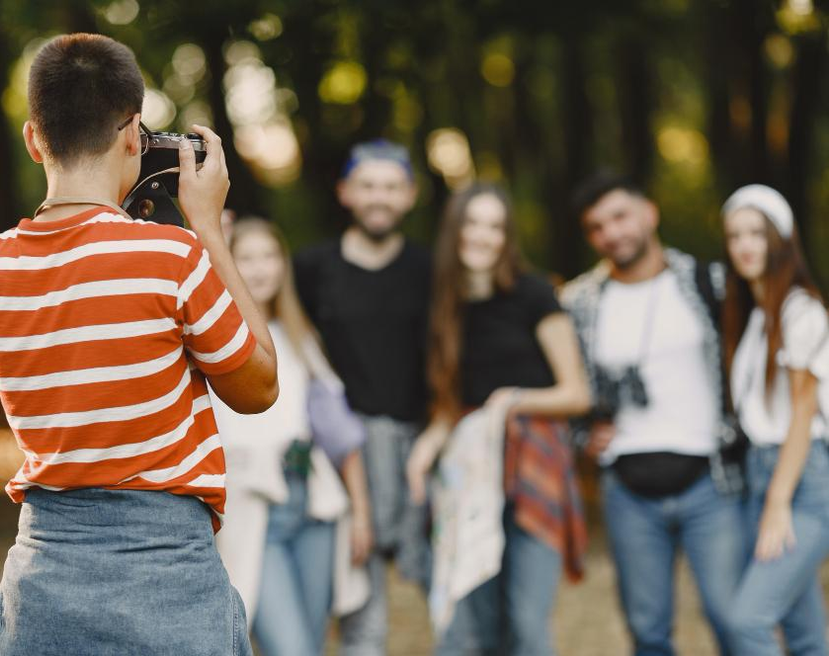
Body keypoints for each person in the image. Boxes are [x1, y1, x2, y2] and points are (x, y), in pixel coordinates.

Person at [0, 34, 278, 656]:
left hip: (45, 574)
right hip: (165, 574)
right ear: (134, 133)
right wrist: (208, 228)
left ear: (33, 138)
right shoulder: (171, 256)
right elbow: (259, 387)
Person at [560, 172, 746, 656]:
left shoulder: (711, 284)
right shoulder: (580, 302)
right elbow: (566, 383)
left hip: (711, 481)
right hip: (627, 489)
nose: (612, 233)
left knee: (735, 620)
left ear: (648, 213)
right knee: (648, 632)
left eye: (620, 216)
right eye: (596, 227)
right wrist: (582, 436)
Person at [405, 183, 590, 656]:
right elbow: (451, 405)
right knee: (479, 625)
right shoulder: (443, 307)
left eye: (494, 226)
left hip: (533, 468)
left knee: (527, 624)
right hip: (471, 475)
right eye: (472, 223)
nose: (482, 236)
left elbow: (576, 394)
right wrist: (423, 452)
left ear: (507, 237)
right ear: (454, 230)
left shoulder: (534, 294)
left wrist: (512, 401)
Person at [294, 139, 431, 655]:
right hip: (345, 455)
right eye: (369, 186)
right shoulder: (310, 269)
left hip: (420, 450)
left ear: (411, 195)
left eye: (392, 187)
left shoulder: (430, 270)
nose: (380, 198)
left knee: (450, 595)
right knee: (361, 611)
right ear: (345, 192)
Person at [212, 217, 373, 656]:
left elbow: (341, 436)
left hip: (313, 503)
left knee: (314, 643)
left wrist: (360, 513)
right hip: (253, 509)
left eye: (270, 256)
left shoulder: (301, 338)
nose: (261, 268)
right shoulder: (213, 338)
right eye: (247, 257)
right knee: (291, 648)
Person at [721, 185, 829, 655]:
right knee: (804, 631)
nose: (745, 244)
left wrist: (779, 500)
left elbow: (804, 411)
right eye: (735, 235)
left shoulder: (800, 311)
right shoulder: (756, 319)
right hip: (762, 474)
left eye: (757, 234)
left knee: (747, 620)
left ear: (782, 240)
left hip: (801, 482)